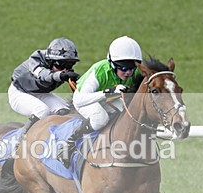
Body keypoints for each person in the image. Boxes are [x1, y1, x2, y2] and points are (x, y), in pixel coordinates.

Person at [59, 35, 144, 167]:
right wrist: (108, 92)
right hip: (86, 99)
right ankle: (69, 141)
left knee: (127, 115)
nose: (128, 73)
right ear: (112, 64)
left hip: (109, 98)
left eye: (131, 69)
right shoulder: (99, 71)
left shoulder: (134, 72)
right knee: (101, 119)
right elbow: (80, 100)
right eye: (123, 68)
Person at [8, 37, 81, 138]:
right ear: (50, 61)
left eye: (70, 65)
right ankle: (20, 141)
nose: (65, 69)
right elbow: (44, 75)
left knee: (64, 111)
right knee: (42, 110)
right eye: (61, 65)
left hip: (41, 93)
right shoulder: (35, 61)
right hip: (19, 93)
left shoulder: (57, 66)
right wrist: (60, 75)